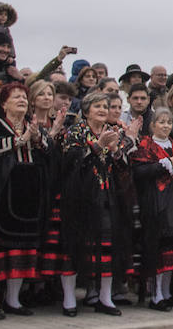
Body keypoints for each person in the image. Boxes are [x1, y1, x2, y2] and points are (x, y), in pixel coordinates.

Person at [0, 82, 50, 319]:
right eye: (16, 97)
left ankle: (13, 299)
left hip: (27, 195)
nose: (22, 101)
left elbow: (49, 153)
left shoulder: (33, 126)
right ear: (3, 103)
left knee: (22, 248)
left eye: (24, 97)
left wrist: (38, 139)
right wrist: (18, 140)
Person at [57, 91, 133, 316]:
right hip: (79, 197)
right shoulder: (75, 131)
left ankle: (105, 298)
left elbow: (123, 166)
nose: (102, 110)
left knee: (108, 247)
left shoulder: (113, 132)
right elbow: (72, 161)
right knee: (74, 247)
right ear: (86, 110)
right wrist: (97, 146)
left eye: (105, 107)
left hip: (107, 195)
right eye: (97, 106)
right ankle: (69, 299)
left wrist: (116, 152)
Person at [131, 107, 173, 311]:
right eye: (161, 122)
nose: (166, 126)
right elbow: (139, 171)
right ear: (153, 124)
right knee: (156, 248)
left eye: (169, 122)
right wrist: (164, 164)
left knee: (171, 249)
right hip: (153, 201)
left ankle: (165, 291)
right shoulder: (145, 144)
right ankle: (155, 295)